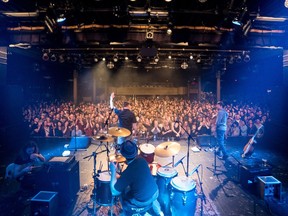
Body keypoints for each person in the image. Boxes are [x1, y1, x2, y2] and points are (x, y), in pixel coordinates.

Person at [109, 140, 163, 216]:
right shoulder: (142, 161)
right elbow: (136, 176)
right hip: (155, 193)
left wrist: (113, 171)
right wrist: (121, 177)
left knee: (122, 192)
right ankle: (159, 212)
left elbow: (114, 192)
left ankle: (126, 213)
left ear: (123, 155)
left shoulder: (128, 171)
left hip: (142, 202)